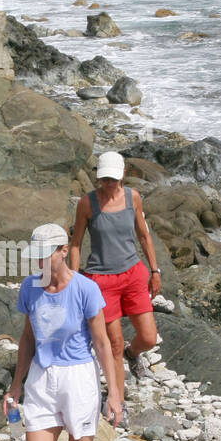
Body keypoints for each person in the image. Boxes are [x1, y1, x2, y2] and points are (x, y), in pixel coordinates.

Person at [3, 223, 122, 441]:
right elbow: (27, 338)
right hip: (42, 378)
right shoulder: (30, 288)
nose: (37, 263)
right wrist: (15, 386)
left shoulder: (85, 289)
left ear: (61, 251)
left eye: (42, 256)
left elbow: (103, 343)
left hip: (79, 380)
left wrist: (113, 391)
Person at [69, 150, 161, 403]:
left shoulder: (133, 198)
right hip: (100, 281)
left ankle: (134, 355)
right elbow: (75, 243)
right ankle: (117, 402)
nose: (108, 184)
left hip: (133, 275)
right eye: (104, 179)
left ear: (122, 176)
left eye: (113, 178)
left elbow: (143, 235)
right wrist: (75, 280)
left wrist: (154, 270)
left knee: (149, 338)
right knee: (114, 344)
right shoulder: (87, 204)